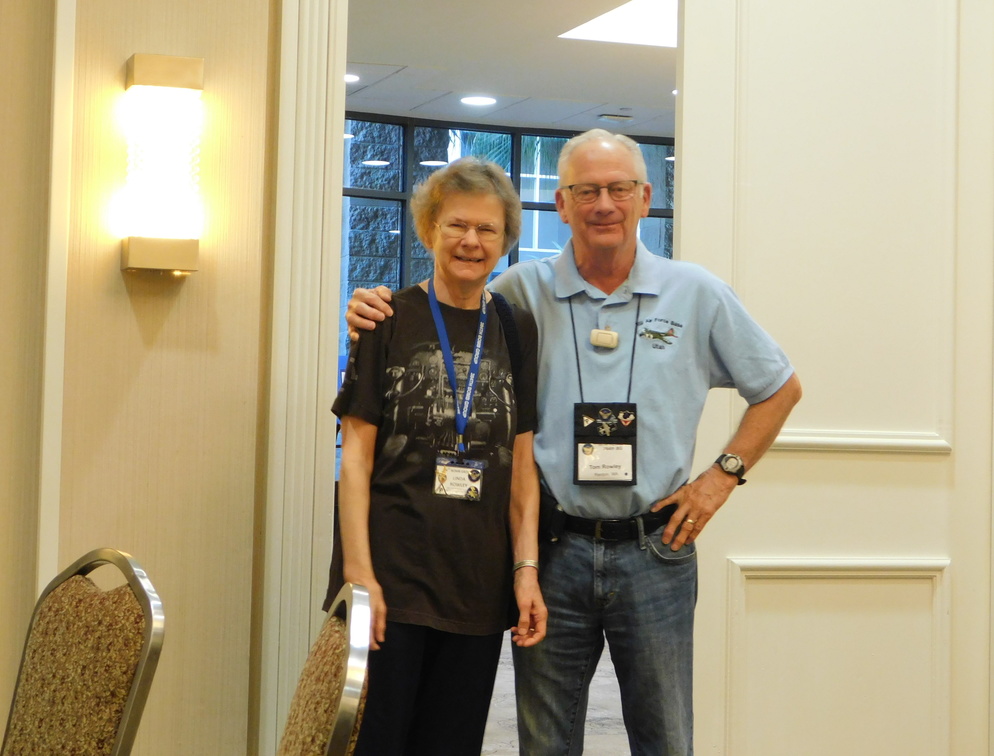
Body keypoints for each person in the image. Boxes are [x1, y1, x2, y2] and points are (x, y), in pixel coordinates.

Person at [346, 130, 801, 756]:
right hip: (554, 552)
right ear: (560, 204)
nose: (603, 204)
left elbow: (779, 387)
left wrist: (720, 477)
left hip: (656, 550)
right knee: (544, 740)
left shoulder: (696, 293)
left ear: (644, 197)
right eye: (587, 190)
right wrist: (373, 308)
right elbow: (441, 314)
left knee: (665, 737)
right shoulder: (517, 296)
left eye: (618, 189)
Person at [330, 156, 547, 756]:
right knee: (374, 742)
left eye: (487, 230)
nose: (471, 242)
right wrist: (359, 575)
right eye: (456, 225)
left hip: (475, 585)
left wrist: (525, 571)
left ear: (505, 242)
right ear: (429, 229)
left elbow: (522, 464)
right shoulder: (386, 318)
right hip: (392, 580)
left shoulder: (516, 327)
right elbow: (356, 460)